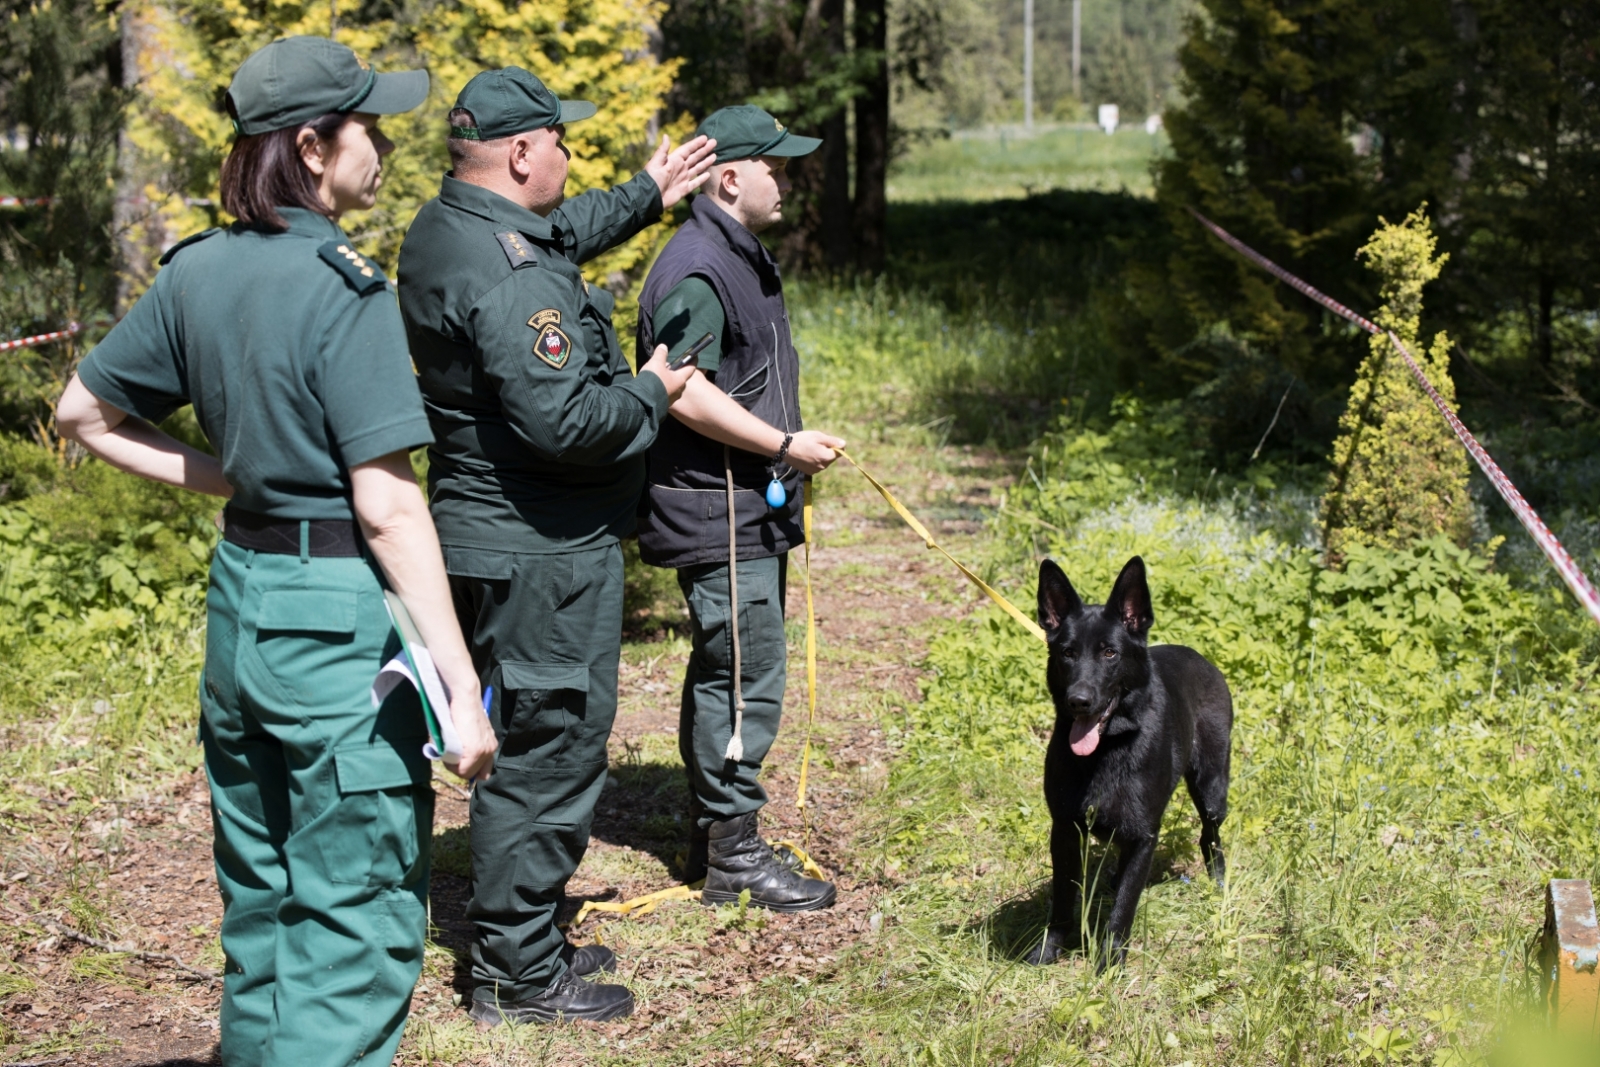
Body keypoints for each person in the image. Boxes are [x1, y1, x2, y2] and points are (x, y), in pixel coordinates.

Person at [53, 36, 497, 1067]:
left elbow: (82, 412)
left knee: (261, 894)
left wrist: (229, 479)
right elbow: (389, 509)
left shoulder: (197, 270)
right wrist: (461, 689)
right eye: (368, 127)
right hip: (336, 614)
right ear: (310, 145)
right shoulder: (343, 287)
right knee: (355, 916)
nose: (382, 146)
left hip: (242, 603)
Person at [395, 67, 711, 1025]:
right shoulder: (512, 274)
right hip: (543, 553)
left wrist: (648, 194)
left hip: (488, 538)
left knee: (533, 738)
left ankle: (519, 939)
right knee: (551, 751)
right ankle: (518, 973)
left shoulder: (447, 228)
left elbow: (559, 231)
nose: (571, 158)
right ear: (522, 153)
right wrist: (656, 386)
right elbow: (568, 422)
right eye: (562, 143)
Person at [635, 105, 846, 912]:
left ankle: (713, 829)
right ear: (730, 178)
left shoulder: (735, 255)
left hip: (745, 508)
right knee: (743, 672)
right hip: (716, 513)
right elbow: (681, 392)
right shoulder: (696, 266)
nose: (787, 181)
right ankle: (734, 858)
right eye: (776, 168)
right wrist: (782, 445)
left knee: (734, 666)